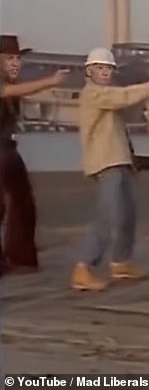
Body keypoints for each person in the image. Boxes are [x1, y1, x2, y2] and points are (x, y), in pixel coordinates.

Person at [70, 47, 149, 291]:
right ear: (88, 72)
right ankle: (84, 267)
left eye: (108, 69)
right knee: (108, 216)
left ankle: (121, 262)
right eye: (100, 68)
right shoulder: (93, 94)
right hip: (106, 162)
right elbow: (123, 96)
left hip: (120, 160)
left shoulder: (106, 95)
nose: (105, 72)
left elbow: (122, 108)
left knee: (127, 214)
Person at [0, 34, 69, 276]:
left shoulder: (12, 87)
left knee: (23, 204)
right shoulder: (6, 87)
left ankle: (20, 256)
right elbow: (7, 91)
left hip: (8, 150)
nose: (15, 63)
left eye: (17, 58)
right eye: (9, 58)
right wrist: (51, 81)